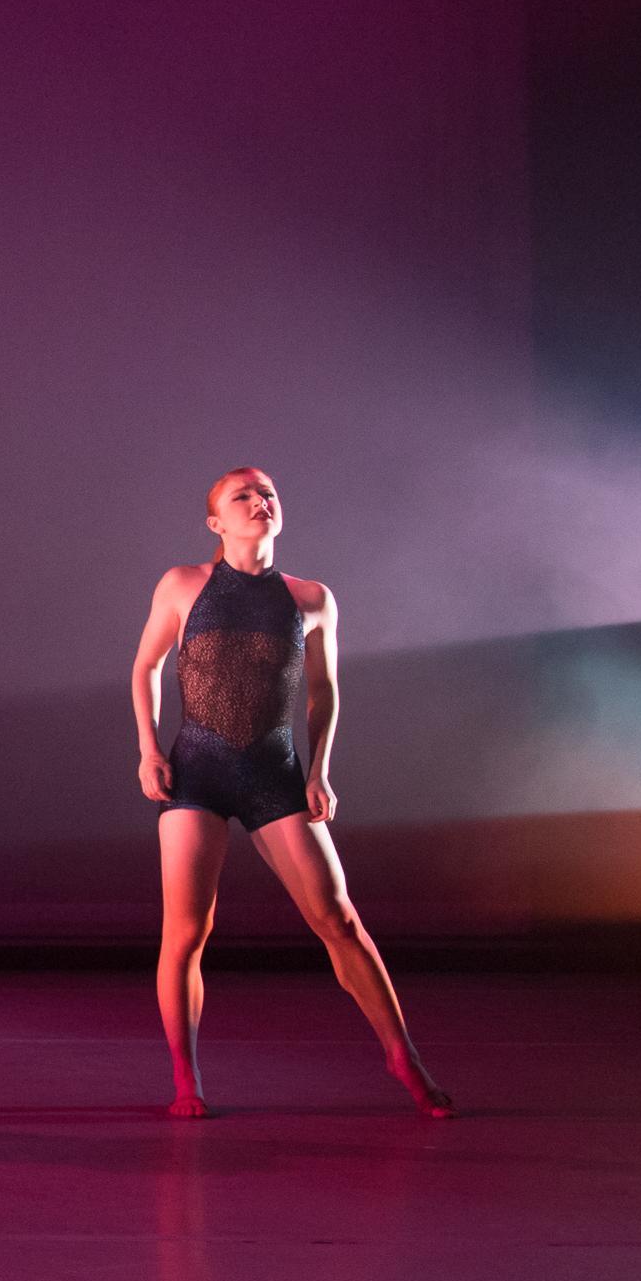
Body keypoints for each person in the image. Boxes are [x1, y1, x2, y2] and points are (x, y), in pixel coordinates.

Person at [130, 467, 450, 1119]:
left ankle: (401, 1055)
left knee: (338, 918)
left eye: (268, 492)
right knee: (188, 929)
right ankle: (185, 1077)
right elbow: (146, 665)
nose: (260, 500)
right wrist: (148, 749)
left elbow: (325, 690)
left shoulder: (310, 598)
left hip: (274, 771)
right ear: (216, 521)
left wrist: (319, 769)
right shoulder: (184, 584)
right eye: (242, 495)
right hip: (197, 770)